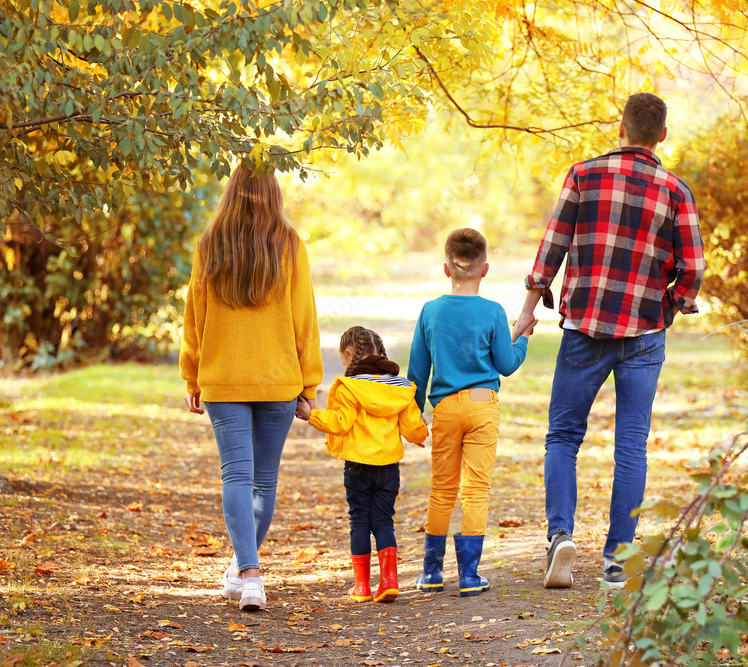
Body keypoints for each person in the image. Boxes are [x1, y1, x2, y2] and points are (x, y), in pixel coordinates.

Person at [511, 92, 705, 589]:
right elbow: (694, 270)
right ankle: (618, 561)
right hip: (644, 332)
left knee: (563, 436)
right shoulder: (676, 190)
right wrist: (668, 309)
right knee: (632, 446)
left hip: (584, 327)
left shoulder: (583, 174)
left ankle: (560, 538)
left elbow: (552, 245)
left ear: (621, 129)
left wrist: (529, 310)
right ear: (662, 135)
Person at [180, 168, 323, 611]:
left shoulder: (210, 244)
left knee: (237, 476)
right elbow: (305, 317)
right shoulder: (289, 243)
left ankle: (246, 571)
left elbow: (194, 315)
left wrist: (191, 374)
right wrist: (310, 381)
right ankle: (250, 572)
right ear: (273, 194)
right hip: (279, 379)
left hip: (224, 379)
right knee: (263, 481)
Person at [407, 228, 535, 597]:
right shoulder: (493, 312)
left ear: (446, 269)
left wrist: (414, 417)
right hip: (482, 405)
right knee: (476, 489)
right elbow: (506, 365)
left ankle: (431, 573)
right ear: (486, 269)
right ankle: (469, 576)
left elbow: (417, 372)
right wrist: (521, 337)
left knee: (442, 489)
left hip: (445, 408)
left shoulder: (431, 311)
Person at [295, 326, 428, 603]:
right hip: (389, 467)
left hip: (358, 466)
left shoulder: (349, 387)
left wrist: (312, 415)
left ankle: (362, 586)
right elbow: (413, 428)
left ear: (349, 354)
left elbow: (340, 423)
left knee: (359, 521)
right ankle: (389, 581)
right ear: (379, 352)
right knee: (383, 521)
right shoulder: (401, 389)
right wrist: (422, 434)